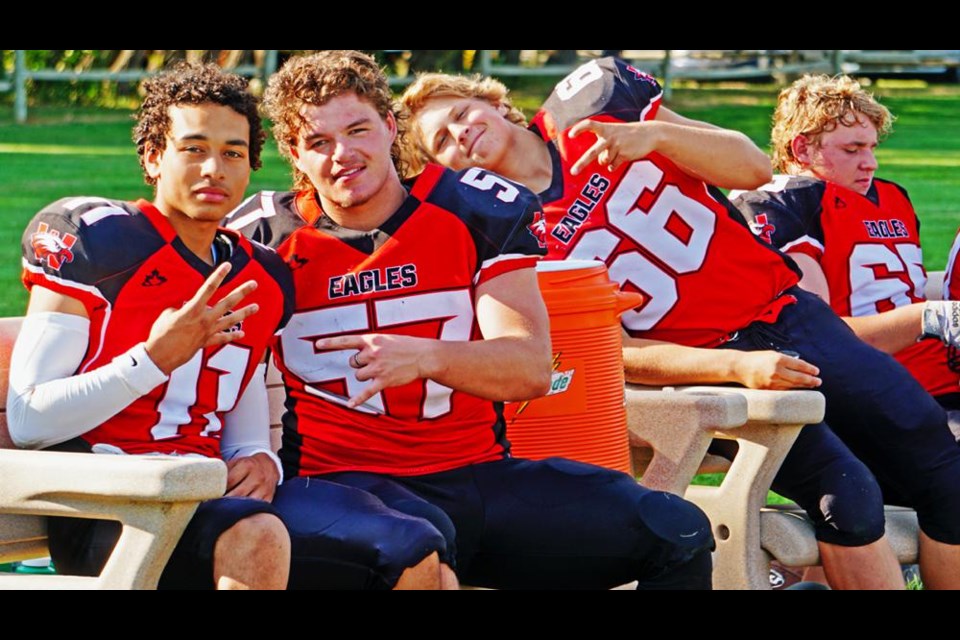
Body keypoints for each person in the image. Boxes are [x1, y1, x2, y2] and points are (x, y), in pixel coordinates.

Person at [400, 57, 960, 590]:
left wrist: (658, 136)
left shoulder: (594, 113)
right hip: (706, 363)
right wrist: (734, 367)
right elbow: (614, 350)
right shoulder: (506, 231)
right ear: (445, 169)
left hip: (788, 312)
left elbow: (752, 167)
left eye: (459, 114)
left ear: (496, 104)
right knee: (849, 495)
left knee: (946, 475)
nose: (460, 135)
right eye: (441, 143)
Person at [229, 50, 715, 590]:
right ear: (294, 153)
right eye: (319, 143)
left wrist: (426, 357)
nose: (343, 154)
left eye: (358, 130)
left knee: (674, 530)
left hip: (474, 474)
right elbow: (220, 367)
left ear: (389, 127)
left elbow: (529, 368)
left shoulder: (471, 210)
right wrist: (248, 451)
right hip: (342, 483)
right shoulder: (264, 240)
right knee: (416, 540)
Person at [6, 63, 293, 590]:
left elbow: (241, 406)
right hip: (109, 500)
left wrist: (259, 456)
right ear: (153, 157)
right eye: (194, 147)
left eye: (233, 152)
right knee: (258, 536)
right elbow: (28, 419)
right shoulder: (100, 244)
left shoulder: (264, 274)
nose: (214, 168)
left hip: (205, 495)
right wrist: (153, 359)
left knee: (386, 544)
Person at [732, 75, 960, 439]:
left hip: (938, 374)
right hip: (884, 394)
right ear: (802, 149)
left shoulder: (893, 197)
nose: (870, 163)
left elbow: (904, 292)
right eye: (852, 150)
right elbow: (818, 337)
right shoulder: (786, 202)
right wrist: (932, 317)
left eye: (872, 148)